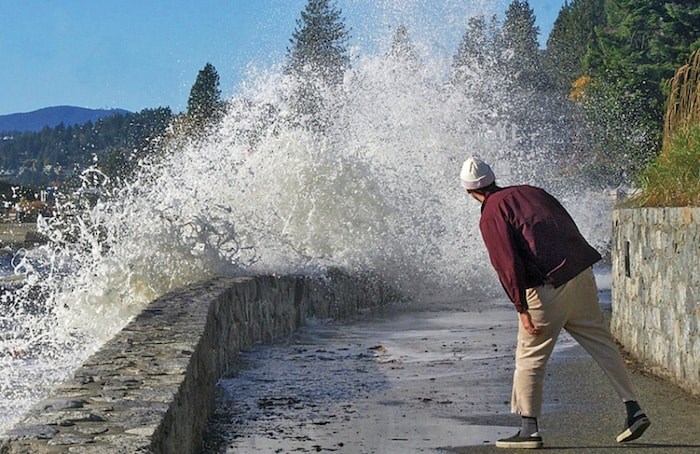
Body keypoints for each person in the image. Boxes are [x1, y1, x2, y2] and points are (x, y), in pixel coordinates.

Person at [460, 156, 650, 449]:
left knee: (530, 358)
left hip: (546, 289)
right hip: (579, 274)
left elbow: (506, 265)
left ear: (469, 192)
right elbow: (564, 222)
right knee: (601, 343)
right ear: (492, 179)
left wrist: (521, 309)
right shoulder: (531, 191)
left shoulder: (491, 213)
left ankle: (528, 429)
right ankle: (633, 408)